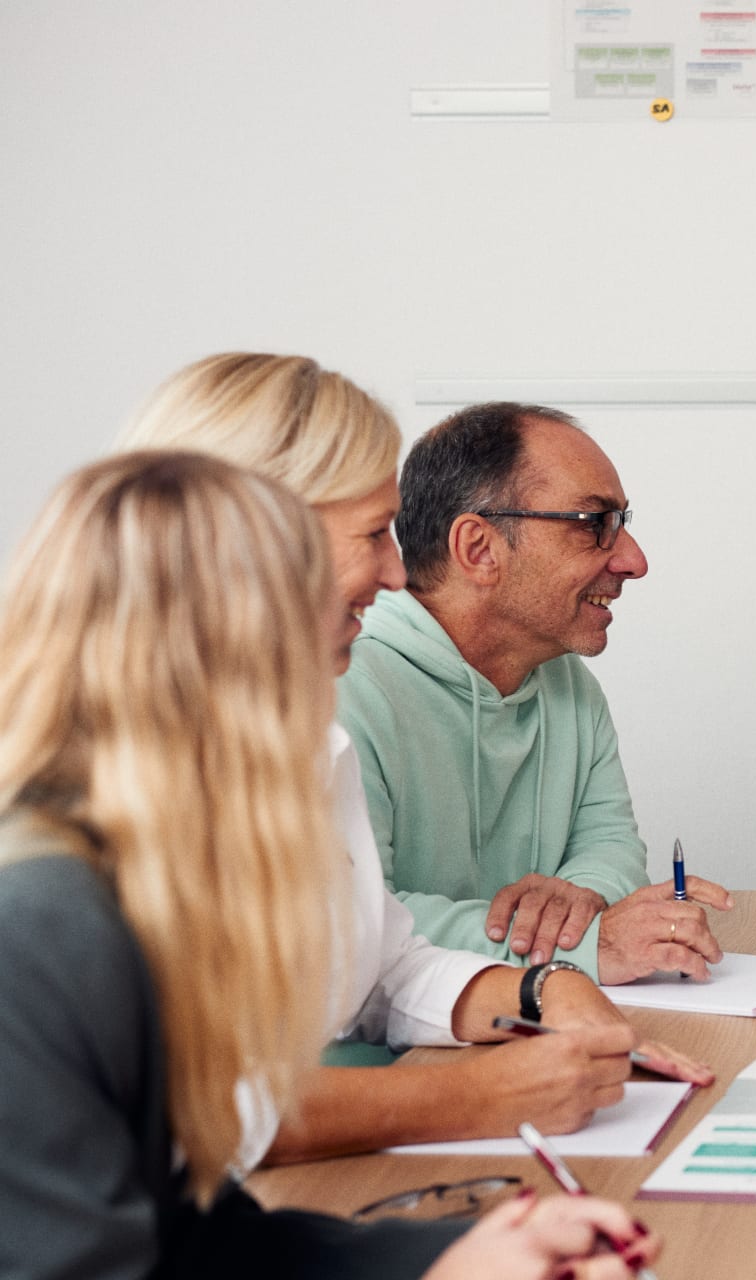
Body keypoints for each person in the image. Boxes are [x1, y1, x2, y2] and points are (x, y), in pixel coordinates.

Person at [0, 451, 663, 1278]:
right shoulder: (40, 928)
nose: (388, 588)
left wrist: (448, 1257)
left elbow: (204, 1239)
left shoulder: (128, 886)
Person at [117, 353, 710, 1163]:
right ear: (252, 545)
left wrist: (542, 984)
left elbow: (373, 962)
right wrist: (482, 1088)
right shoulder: (113, 782)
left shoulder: (296, 737)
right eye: (372, 535)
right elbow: (186, 1111)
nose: (398, 571)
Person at [338, 401, 733, 984]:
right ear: (478, 549)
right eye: (593, 523)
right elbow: (358, 925)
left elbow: (612, 848)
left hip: (526, 1023)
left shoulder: (569, 685)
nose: (634, 561)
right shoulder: (341, 692)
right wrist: (587, 944)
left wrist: (579, 900)